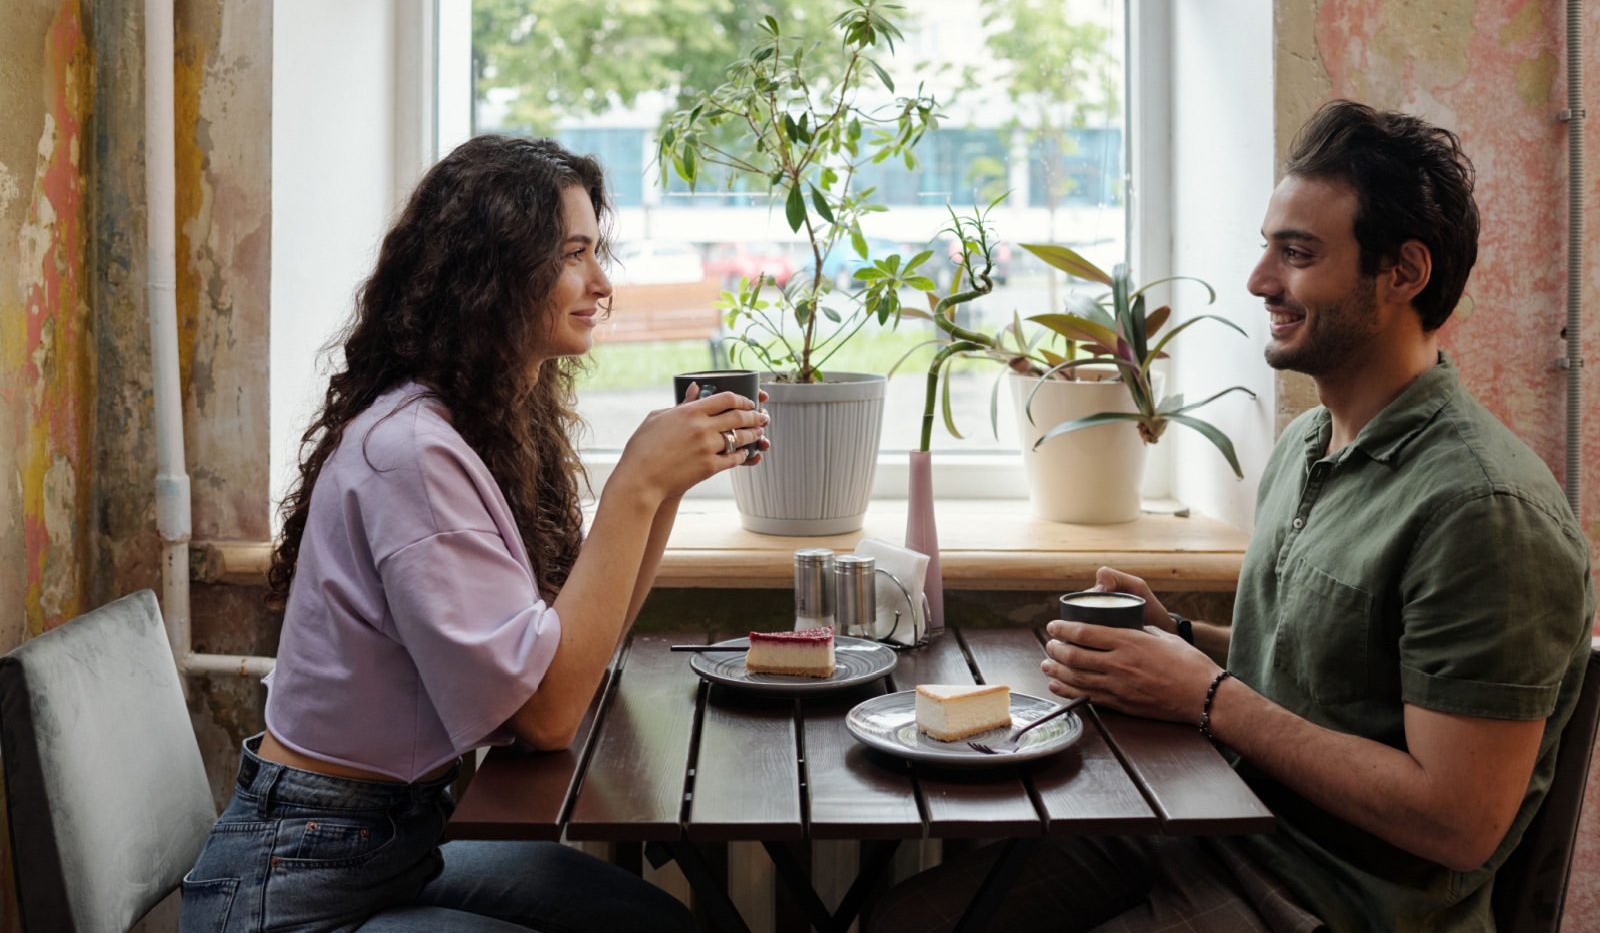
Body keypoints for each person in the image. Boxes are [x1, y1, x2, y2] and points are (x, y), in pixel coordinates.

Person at [868, 101, 1593, 933]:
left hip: (1325, 900)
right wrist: (1175, 637)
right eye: (1268, 246)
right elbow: (1322, 676)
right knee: (908, 920)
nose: (1259, 280)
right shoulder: (1306, 445)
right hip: (1214, 825)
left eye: (1298, 253)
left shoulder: (1484, 513)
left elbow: (1460, 821)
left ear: (1404, 273)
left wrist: (1206, 697)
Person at [180, 134, 769, 931]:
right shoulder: (412, 456)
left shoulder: (471, 425)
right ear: (493, 272)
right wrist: (637, 483)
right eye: (573, 255)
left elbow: (570, 659)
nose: (601, 283)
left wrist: (664, 491)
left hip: (384, 849)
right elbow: (548, 716)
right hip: (298, 885)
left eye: (599, 252)